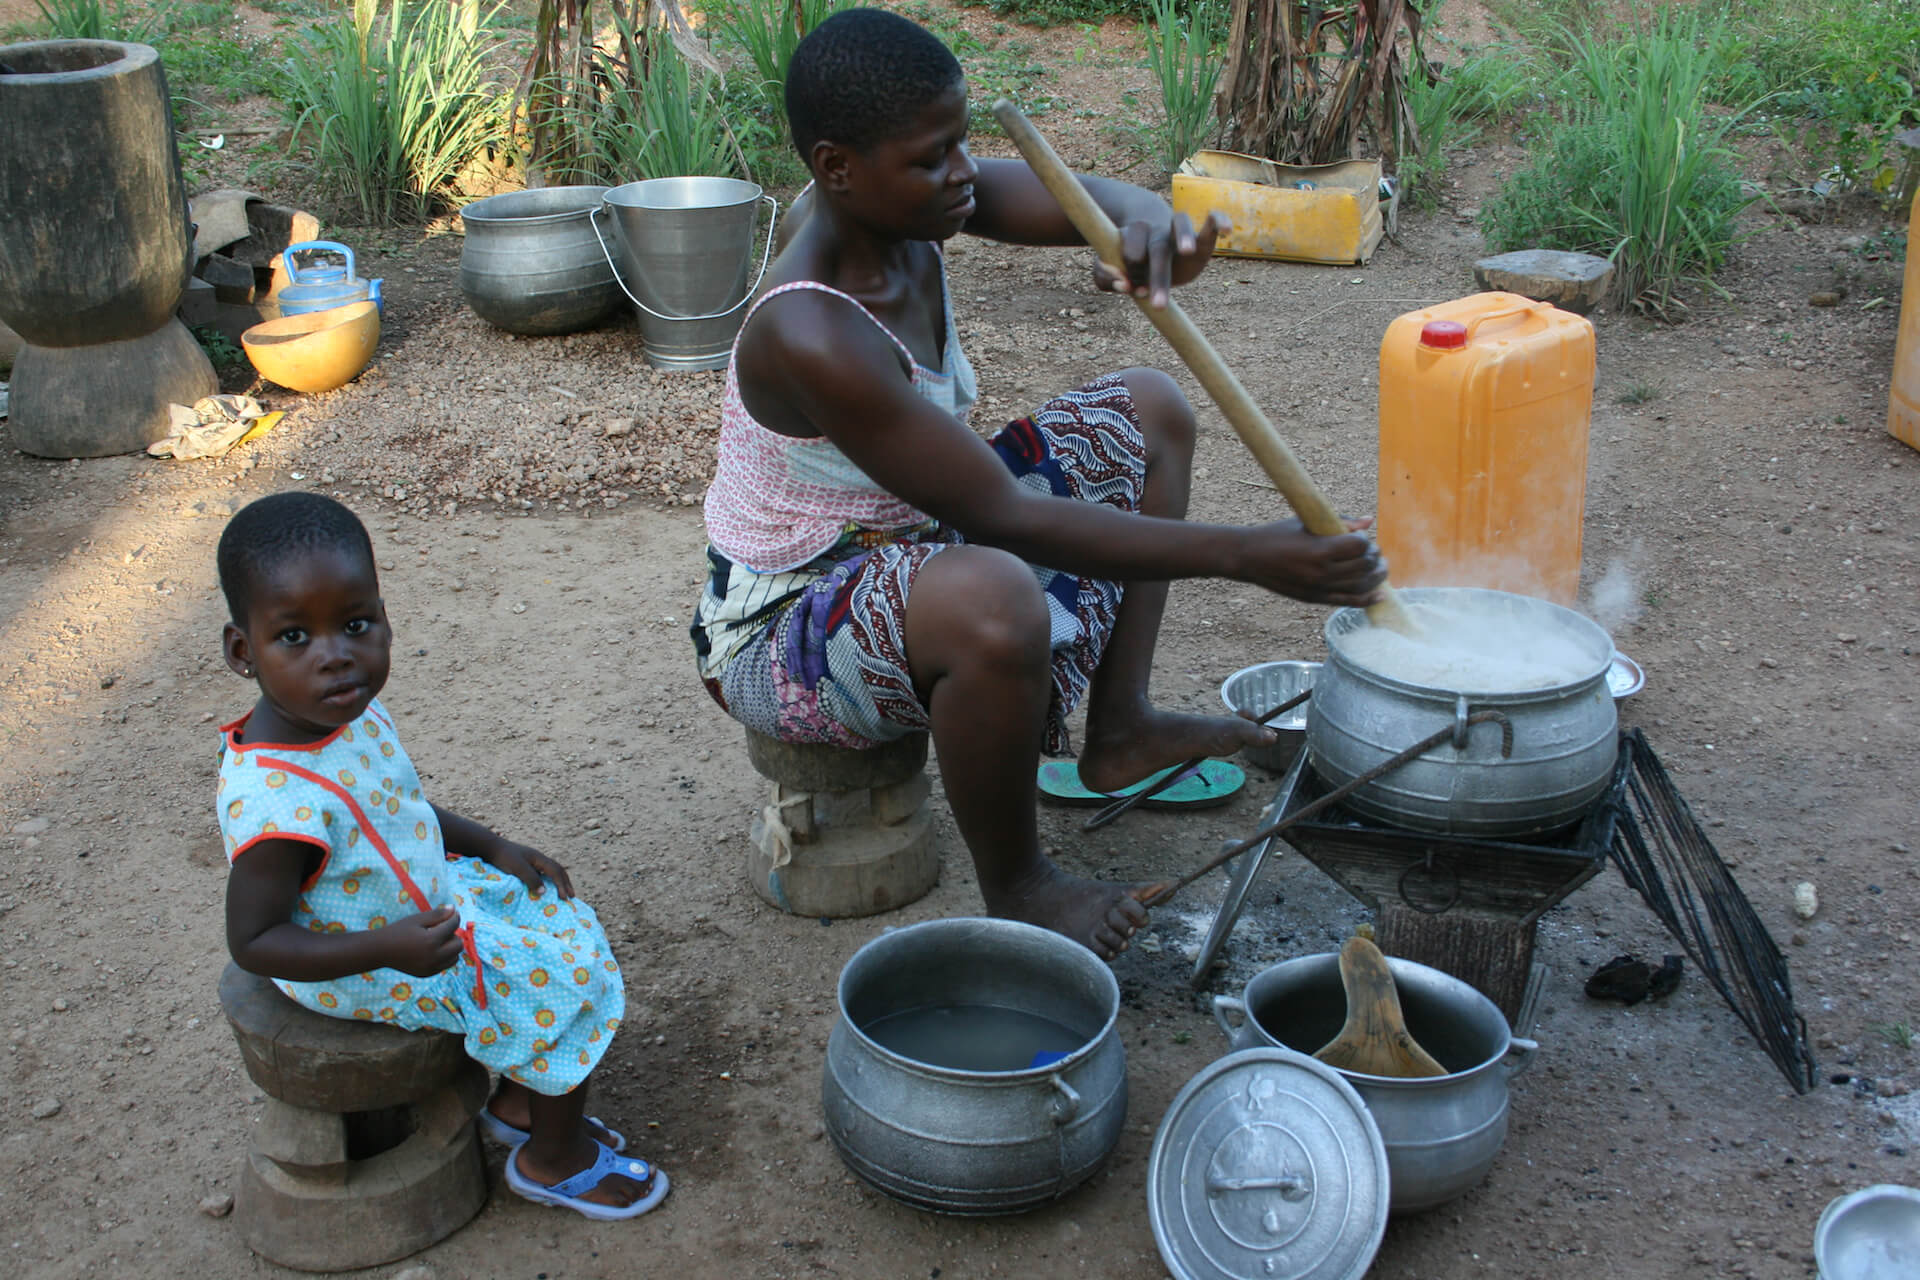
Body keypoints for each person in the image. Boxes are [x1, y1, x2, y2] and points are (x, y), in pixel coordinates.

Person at [691, 8, 1387, 960]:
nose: (965, 173)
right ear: (837, 167)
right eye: (935, 157)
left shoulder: (906, 204)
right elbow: (1002, 515)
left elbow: (1090, 203)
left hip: (912, 548)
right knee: (994, 596)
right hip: (786, 632)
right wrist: (1248, 554)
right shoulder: (813, 328)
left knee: (1148, 411)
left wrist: (1149, 230)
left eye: (963, 143)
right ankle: (1021, 885)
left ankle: (1123, 723)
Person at [215, 492, 666, 1222]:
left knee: (555, 913)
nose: (335, 657)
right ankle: (554, 1160)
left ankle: (524, 1102)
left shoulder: (343, 713)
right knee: (558, 981)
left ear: (385, 618)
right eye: (294, 637)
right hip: (355, 961)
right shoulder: (275, 804)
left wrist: (492, 844)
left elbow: (401, 809)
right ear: (244, 651)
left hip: (412, 898)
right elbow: (255, 941)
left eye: (356, 625)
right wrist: (385, 946)